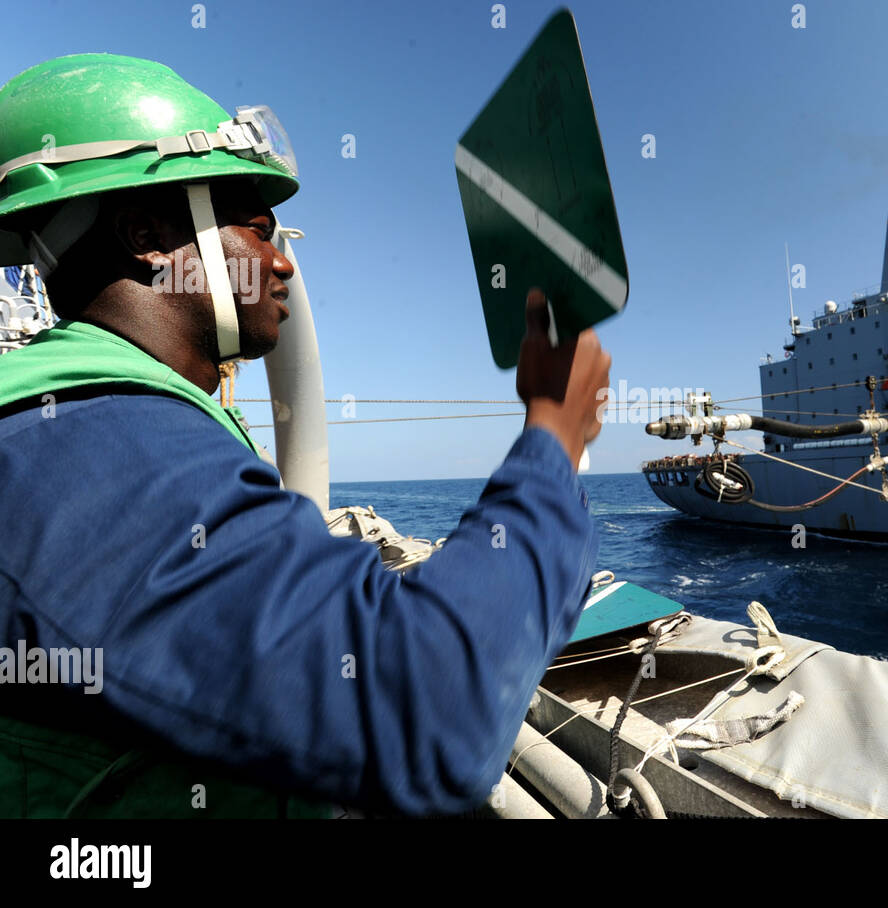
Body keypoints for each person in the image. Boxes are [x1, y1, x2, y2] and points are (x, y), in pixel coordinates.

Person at [0, 54, 611, 817]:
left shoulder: (87, 422)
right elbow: (428, 708)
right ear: (149, 233)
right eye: (257, 230)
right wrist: (554, 438)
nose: (282, 261)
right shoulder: (86, 450)